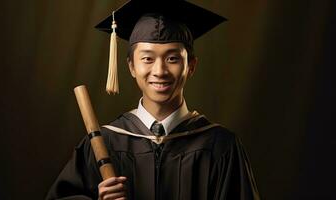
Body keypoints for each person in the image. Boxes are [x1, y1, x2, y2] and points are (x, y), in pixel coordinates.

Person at [46, 0, 260, 199]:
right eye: (147, 59)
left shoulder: (220, 146)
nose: (159, 71)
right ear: (131, 66)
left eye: (172, 59)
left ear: (191, 66)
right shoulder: (105, 143)